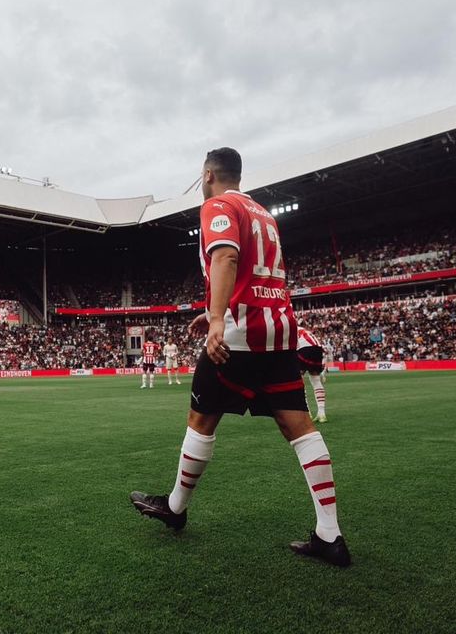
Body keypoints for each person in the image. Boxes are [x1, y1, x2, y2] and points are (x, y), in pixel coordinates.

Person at [130, 147, 350, 567]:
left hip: (239, 336)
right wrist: (214, 310)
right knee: (300, 428)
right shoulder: (264, 213)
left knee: (201, 419)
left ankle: (175, 508)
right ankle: (330, 533)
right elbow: (253, 271)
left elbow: (227, 256)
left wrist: (218, 320)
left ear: (207, 174)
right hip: (279, 331)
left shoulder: (218, 204)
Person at [296, 326, 328, 422]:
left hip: (304, 348)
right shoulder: (302, 329)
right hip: (317, 349)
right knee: (316, 380)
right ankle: (322, 414)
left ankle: (307, 413)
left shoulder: (288, 328)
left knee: (298, 381)